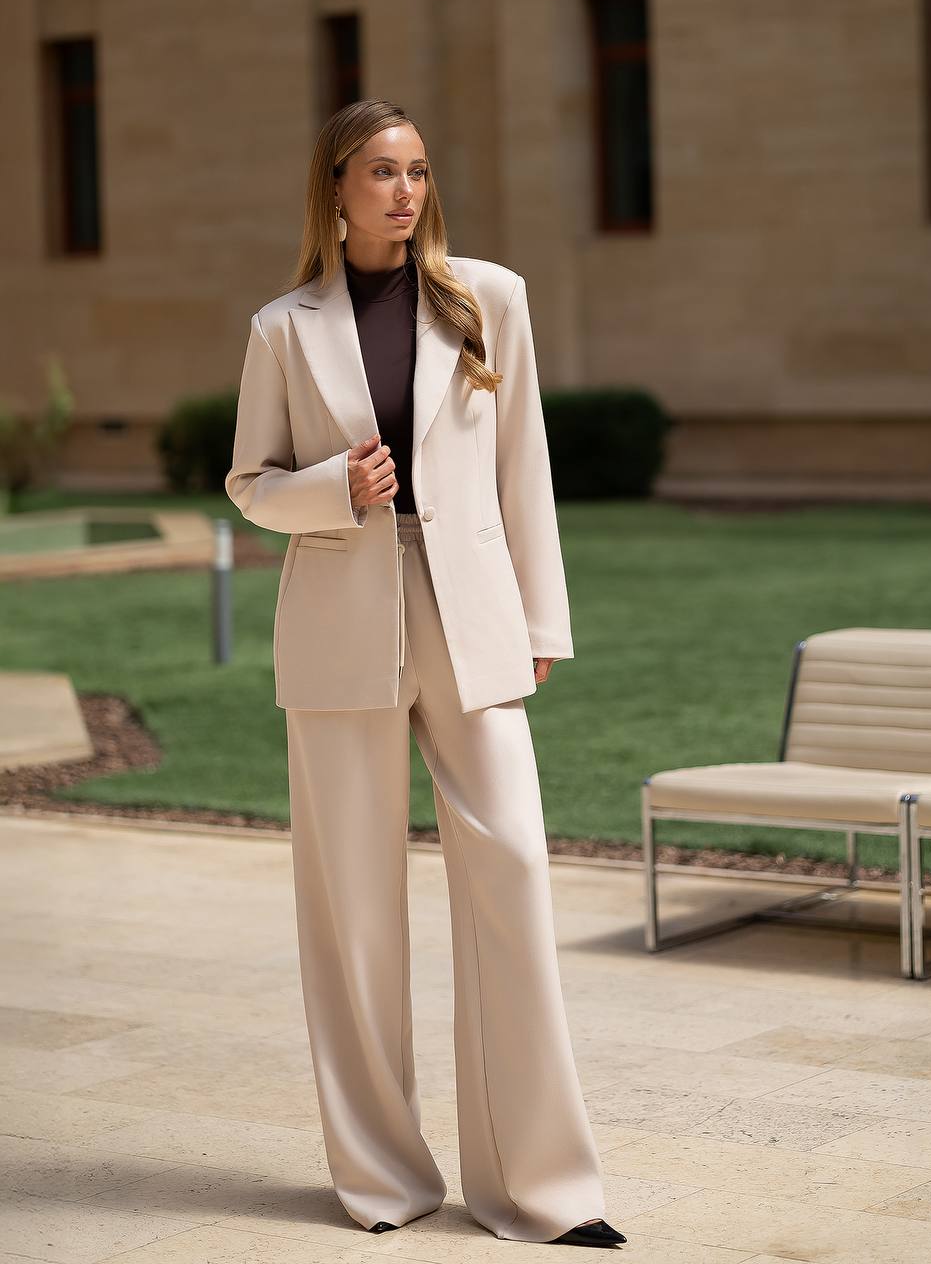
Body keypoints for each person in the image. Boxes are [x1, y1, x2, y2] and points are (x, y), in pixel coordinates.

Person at [225, 98, 626, 1249]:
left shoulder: (487, 298)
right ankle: (383, 1177)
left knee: (511, 872)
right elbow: (250, 481)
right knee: (352, 908)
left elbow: (522, 464)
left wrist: (541, 619)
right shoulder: (281, 328)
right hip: (340, 620)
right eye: (380, 173)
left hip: (473, 616)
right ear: (336, 190)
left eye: (416, 171)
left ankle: (543, 1189)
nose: (404, 191)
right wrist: (326, 492)